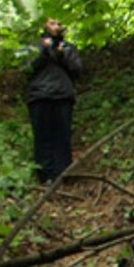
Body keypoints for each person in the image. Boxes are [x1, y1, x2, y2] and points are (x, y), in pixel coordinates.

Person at [26, 17, 83, 184]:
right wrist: (44, 51)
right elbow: (27, 68)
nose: (56, 26)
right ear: (44, 25)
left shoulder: (68, 47)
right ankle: (44, 175)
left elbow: (77, 69)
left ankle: (62, 174)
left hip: (63, 96)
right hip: (40, 96)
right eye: (52, 23)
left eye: (59, 23)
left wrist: (62, 53)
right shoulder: (35, 46)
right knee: (42, 136)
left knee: (62, 136)